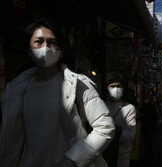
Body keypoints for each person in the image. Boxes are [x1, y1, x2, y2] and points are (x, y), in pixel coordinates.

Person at [0, 19, 115, 167]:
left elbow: (105, 127)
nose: (45, 48)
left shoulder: (78, 84)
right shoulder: (16, 90)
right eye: (38, 42)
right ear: (29, 50)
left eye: (52, 42)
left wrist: (76, 158)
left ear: (62, 51)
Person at [104, 72, 136, 167]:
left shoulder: (129, 108)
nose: (116, 89)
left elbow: (130, 134)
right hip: (103, 154)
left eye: (118, 86)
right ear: (107, 89)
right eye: (112, 86)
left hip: (121, 156)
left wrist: (104, 134)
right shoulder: (101, 105)